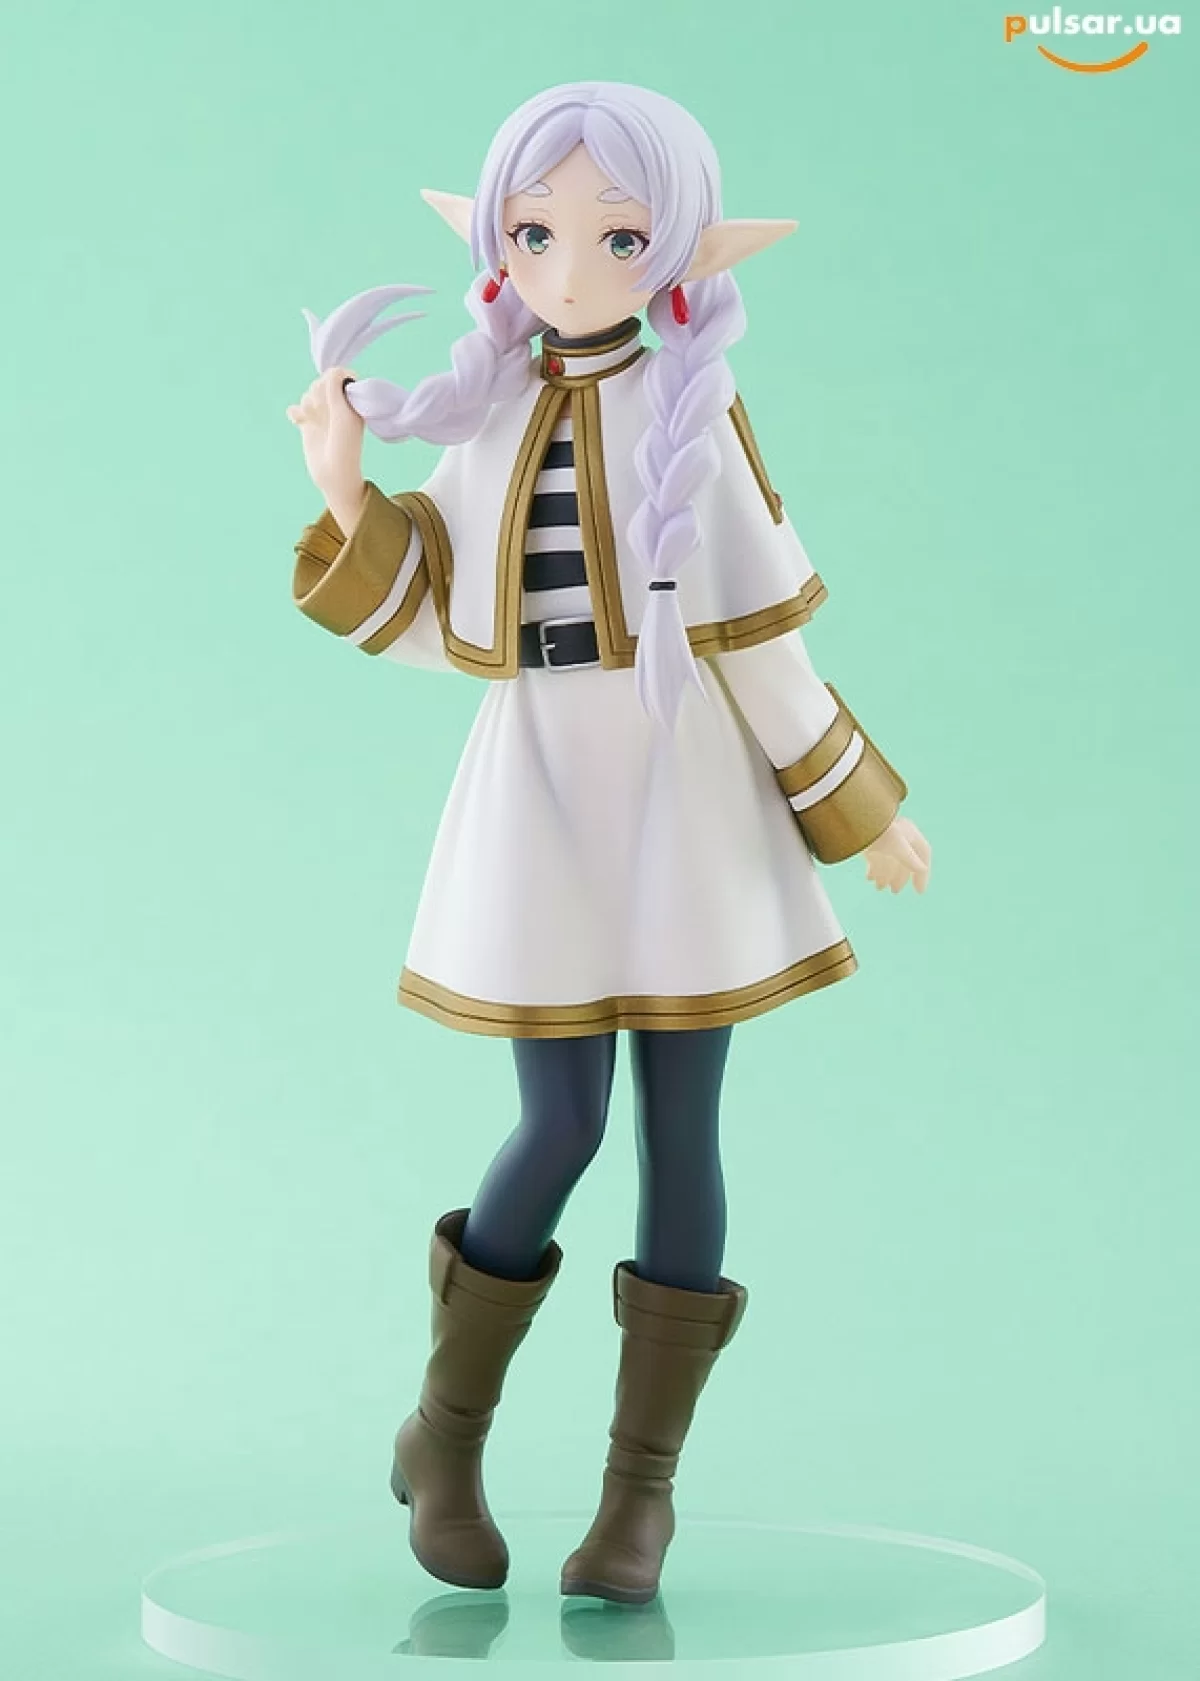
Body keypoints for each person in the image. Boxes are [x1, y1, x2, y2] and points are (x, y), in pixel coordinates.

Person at [286, 80, 931, 1605]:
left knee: (682, 1137)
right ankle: (444, 1436)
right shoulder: (492, 406)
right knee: (559, 1124)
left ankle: (640, 1499)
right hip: (544, 797)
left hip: (688, 803)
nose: (570, 266)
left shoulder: (694, 411)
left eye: (617, 236)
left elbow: (760, 645)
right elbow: (439, 612)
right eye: (536, 233)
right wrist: (341, 489)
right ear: (498, 243)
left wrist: (861, 806)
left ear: (678, 247)